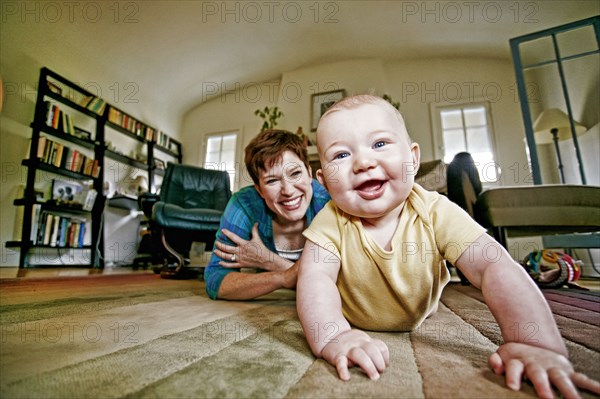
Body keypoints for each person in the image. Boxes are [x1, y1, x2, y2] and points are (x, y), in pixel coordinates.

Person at [296, 94, 600, 399]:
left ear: (413, 158)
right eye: (341, 155)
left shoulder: (435, 211)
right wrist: (334, 334)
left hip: (420, 307)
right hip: (353, 315)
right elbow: (315, 278)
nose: (363, 163)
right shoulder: (330, 221)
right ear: (322, 181)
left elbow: (492, 265)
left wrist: (535, 344)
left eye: (379, 144)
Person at [204, 129, 330, 300]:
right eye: (272, 180)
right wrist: (282, 277)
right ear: (259, 189)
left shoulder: (327, 201)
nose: (288, 190)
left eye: (295, 173)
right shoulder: (244, 204)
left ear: (309, 173)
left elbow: (347, 282)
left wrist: (269, 260)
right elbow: (215, 281)